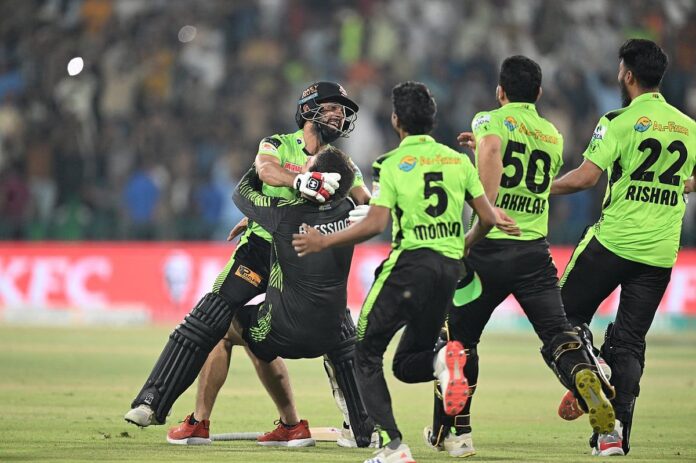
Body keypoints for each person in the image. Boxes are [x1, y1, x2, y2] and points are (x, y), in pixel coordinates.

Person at [125, 82, 374, 448]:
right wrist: (299, 180)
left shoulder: (342, 161)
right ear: (308, 108)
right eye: (332, 106)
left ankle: (353, 423)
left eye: (343, 109)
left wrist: (369, 208)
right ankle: (152, 402)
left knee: (335, 328)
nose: (340, 114)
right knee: (212, 313)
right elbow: (265, 170)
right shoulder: (277, 144)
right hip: (261, 247)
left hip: (302, 251)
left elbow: (363, 198)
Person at [292, 81, 501, 463]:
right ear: (432, 120)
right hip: (448, 272)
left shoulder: (390, 163)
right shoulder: (458, 161)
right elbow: (488, 217)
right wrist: (464, 244)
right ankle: (443, 359)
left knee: (363, 354)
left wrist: (323, 242)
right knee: (407, 363)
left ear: (395, 120)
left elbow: (375, 223)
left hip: (408, 268)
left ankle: (393, 446)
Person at [424, 55, 617, 459]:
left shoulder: (488, 120)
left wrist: (484, 218)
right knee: (558, 334)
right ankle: (583, 374)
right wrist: (483, 151)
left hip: (488, 252)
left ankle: (456, 433)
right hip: (534, 255)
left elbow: (496, 150)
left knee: (457, 342)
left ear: (500, 91)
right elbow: (517, 164)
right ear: (539, 93)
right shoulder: (552, 134)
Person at [551, 39, 695, 456]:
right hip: (660, 252)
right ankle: (613, 437)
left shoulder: (618, 120)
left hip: (613, 242)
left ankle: (590, 367)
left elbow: (585, 177)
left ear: (628, 75)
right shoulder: (688, 126)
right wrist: (678, 184)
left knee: (558, 319)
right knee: (630, 342)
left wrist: (541, 189)